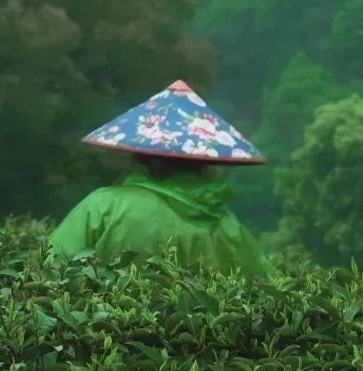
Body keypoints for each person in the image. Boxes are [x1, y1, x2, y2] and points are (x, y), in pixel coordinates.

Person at [48, 82, 270, 275]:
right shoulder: (230, 228)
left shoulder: (103, 207)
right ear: (206, 160)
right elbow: (263, 296)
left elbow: (48, 272)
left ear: (138, 152)